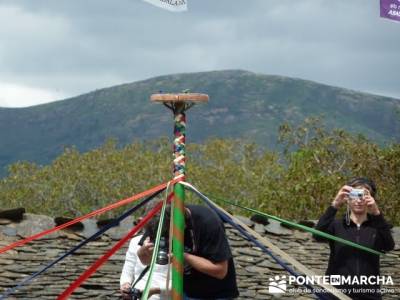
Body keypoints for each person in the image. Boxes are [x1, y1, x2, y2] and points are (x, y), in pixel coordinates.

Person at [315, 177, 395, 300]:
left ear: (371, 199)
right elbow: (317, 235)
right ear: (347, 198)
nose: (358, 200)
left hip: (369, 295)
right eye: (354, 195)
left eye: (363, 195)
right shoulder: (336, 225)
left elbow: (388, 245)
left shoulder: (378, 226)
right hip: (335, 294)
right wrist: (335, 204)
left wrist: (376, 212)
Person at [138, 204, 239, 300]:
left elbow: (220, 271)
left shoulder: (208, 221)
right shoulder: (157, 222)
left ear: (181, 222)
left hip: (217, 293)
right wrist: (144, 251)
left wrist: (183, 256)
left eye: (169, 233)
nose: (168, 238)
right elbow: (145, 261)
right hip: (186, 291)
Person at [120, 234, 170, 300]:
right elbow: (128, 268)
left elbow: (183, 283)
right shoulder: (136, 241)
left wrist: (155, 290)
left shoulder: (178, 243)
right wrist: (125, 284)